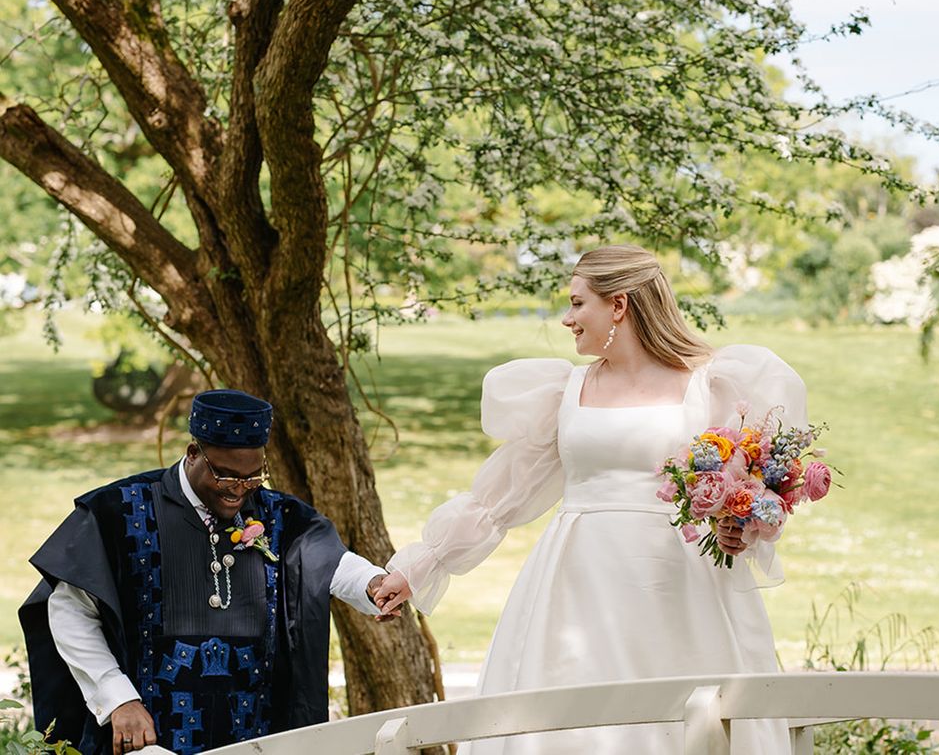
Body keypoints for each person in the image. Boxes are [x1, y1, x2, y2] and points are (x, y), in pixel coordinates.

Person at [374, 244, 809, 754]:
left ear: (618, 305)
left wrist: (739, 528)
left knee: (686, 719)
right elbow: (500, 496)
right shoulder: (566, 391)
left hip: (679, 586)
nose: (567, 318)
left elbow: (747, 490)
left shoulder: (710, 386)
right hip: (575, 587)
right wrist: (420, 565)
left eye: (578, 303)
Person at [19, 388, 398, 755]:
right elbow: (70, 610)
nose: (239, 491)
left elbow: (327, 561)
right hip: (150, 738)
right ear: (193, 453)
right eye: (227, 476)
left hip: (258, 736)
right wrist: (118, 699)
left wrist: (373, 583)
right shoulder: (117, 511)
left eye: (253, 476)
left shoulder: (277, 513)